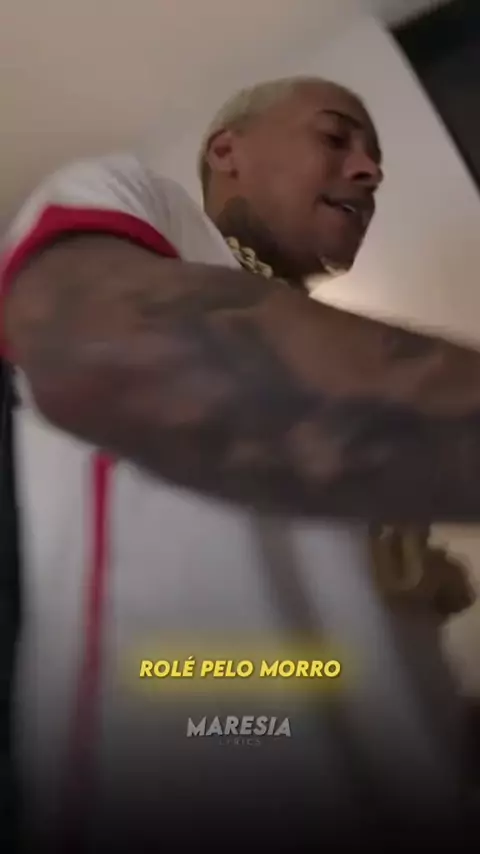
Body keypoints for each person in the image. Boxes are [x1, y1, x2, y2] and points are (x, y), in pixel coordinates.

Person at [0, 76, 477, 851]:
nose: (370, 171)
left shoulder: (327, 367)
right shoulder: (136, 199)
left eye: (375, 160)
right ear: (227, 151)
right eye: (336, 138)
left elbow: (332, 673)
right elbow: (103, 349)